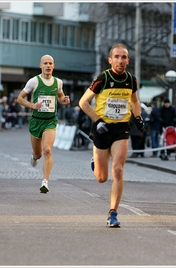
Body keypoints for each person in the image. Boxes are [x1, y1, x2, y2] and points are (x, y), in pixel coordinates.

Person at [78, 43, 144, 227]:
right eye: (117, 57)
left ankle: (113, 212)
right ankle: (95, 160)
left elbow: (135, 101)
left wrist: (138, 118)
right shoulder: (102, 78)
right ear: (110, 60)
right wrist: (97, 121)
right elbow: (83, 102)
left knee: (118, 169)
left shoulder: (131, 80)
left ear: (128, 61)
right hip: (102, 128)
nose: (120, 60)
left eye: (124, 57)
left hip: (121, 128)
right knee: (101, 178)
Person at [17, 54, 70, 193]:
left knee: (48, 150)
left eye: (50, 63)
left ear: (53, 66)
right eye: (45, 63)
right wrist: (32, 105)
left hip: (50, 121)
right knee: (39, 154)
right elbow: (19, 98)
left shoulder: (58, 82)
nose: (48, 66)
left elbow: (59, 96)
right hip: (36, 121)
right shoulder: (33, 81)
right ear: (40, 65)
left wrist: (63, 100)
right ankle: (34, 156)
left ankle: (45, 182)